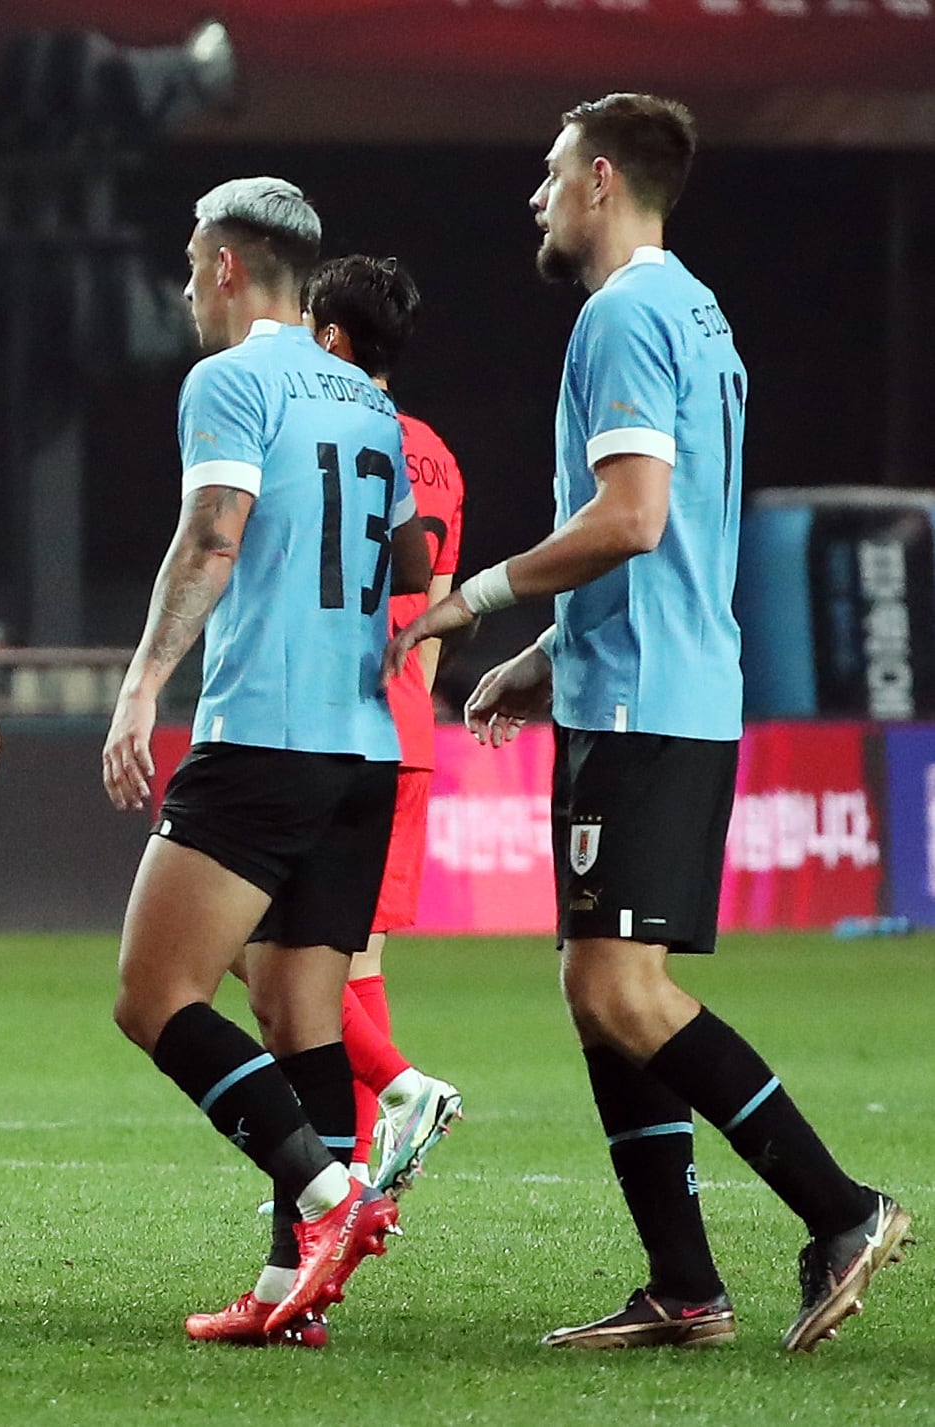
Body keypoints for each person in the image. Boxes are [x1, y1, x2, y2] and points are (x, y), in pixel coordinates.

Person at [390, 92, 910, 1353]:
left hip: (649, 703)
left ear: (603, 179)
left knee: (622, 985)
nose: (536, 195)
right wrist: (546, 652)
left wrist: (478, 594)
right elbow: (665, 543)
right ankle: (684, 1284)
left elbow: (630, 518)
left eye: (552, 169)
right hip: (642, 677)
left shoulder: (621, 314)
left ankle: (841, 1209)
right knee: (595, 984)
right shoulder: (697, 314)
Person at [100, 177, 429, 1348]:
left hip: (265, 736)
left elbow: (214, 534)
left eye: (194, 267)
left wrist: (142, 682)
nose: (189, 290)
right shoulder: (374, 406)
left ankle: (332, 1200)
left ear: (230, 267)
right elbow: (404, 571)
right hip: (364, 745)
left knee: (154, 996)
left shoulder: (229, 381)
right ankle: (293, 1287)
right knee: (302, 1015)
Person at [301, 255, 466, 1194]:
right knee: (354, 956)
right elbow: (436, 608)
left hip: (332, 724)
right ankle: (351, 1170)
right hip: (405, 727)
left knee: (289, 952)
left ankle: (370, 1133)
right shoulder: (436, 452)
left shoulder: (328, 434)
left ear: (329, 336)